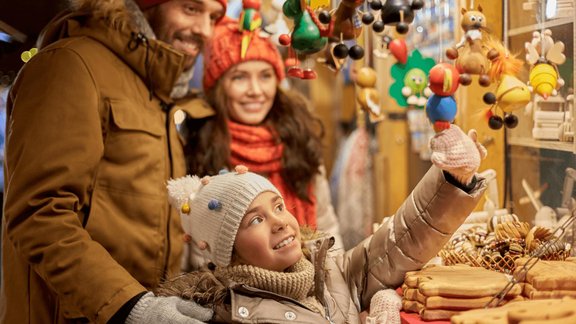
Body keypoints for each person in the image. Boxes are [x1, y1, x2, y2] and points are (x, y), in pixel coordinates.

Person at [0, 0, 228, 322]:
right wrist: (131, 306)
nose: (205, 30)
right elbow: (38, 212)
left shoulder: (155, 91)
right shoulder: (71, 63)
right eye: (191, 9)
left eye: (214, 17)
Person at [160, 122, 488, 322]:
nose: (278, 222)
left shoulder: (330, 273)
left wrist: (451, 177)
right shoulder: (236, 315)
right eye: (255, 220)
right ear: (228, 252)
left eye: (278, 206)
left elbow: (397, 242)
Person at [182, 15, 344, 254]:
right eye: (240, 77)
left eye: (265, 76)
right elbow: (190, 250)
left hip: (308, 280)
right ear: (217, 86)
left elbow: (327, 229)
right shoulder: (197, 146)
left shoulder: (298, 138)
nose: (256, 91)